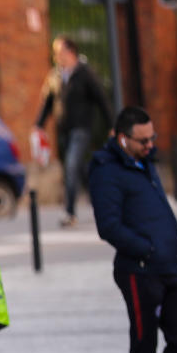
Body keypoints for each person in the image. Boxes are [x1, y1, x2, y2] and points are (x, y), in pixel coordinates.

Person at [89, 106, 177, 353]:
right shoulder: (106, 171)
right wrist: (146, 249)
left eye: (153, 137)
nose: (151, 145)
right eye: (143, 139)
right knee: (144, 340)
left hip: (168, 267)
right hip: (139, 270)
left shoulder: (144, 162)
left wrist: (171, 247)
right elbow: (108, 226)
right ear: (123, 138)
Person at [34, 36, 114, 227]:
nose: (56, 56)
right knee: (79, 170)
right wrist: (38, 125)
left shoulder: (85, 73)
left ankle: (70, 213)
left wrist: (112, 125)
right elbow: (48, 103)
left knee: (71, 166)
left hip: (82, 128)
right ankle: (101, 203)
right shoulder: (55, 75)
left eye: (59, 52)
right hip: (64, 131)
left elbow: (101, 100)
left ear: (71, 52)